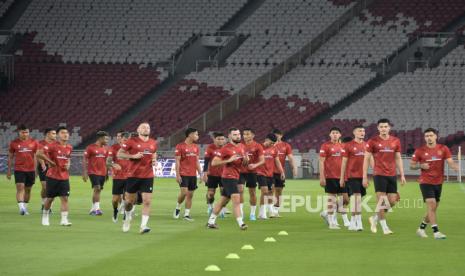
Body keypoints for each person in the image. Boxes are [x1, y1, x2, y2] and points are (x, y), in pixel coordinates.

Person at [411, 128, 459, 239]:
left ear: (435, 136)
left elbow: (450, 161)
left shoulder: (443, 148)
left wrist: (455, 166)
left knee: (433, 208)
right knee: (431, 204)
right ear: (424, 138)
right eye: (427, 136)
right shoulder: (420, 150)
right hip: (425, 181)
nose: (429, 137)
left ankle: (421, 228)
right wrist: (420, 166)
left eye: (431, 135)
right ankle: (436, 232)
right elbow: (412, 166)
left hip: (438, 182)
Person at [363, 118, 406, 235]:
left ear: (389, 128)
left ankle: (374, 218)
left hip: (392, 174)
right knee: (381, 201)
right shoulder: (372, 141)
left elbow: (398, 158)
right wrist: (364, 176)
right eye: (381, 127)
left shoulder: (396, 141)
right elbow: (366, 159)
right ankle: (385, 227)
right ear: (378, 128)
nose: (383, 129)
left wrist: (402, 174)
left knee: (392, 201)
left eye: (385, 127)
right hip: (379, 174)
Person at [117, 123, 157, 234]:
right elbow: (119, 154)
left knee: (147, 201)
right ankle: (127, 218)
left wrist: (154, 159)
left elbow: (154, 153)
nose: (146, 129)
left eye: (148, 127)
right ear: (138, 130)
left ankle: (143, 226)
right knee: (129, 202)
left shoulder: (153, 142)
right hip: (133, 175)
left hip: (148, 175)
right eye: (143, 127)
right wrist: (132, 156)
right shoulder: (131, 141)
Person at [206, 127, 248, 230]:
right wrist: (228, 160)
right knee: (236, 199)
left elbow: (243, 164)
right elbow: (214, 162)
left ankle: (211, 222)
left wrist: (246, 160)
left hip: (236, 176)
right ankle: (241, 223)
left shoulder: (242, 146)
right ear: (229, 136)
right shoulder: (225, 148)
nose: (238, 136)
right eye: (235, 134)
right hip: (228, 177)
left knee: (223, 201)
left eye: (238, 134)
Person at [37, 126, 73, 226]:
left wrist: (68, 165)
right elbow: (39, 153)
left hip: (64, 176)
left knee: (65, 198)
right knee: (50, 199)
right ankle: (45, 217)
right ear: (58, 135)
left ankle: (64, 220)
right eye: (62, 133)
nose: (65, 134)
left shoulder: (69, 147)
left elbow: (68, 158)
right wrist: (50, 162)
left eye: (67, 133)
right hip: (52, 176)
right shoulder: (52, 146)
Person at [319, 127, 349, 229]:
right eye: (333, 133)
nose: (335, 134)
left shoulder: (343, 146)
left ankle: (326, 213)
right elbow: (321, 161)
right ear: (330, 135)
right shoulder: (325, 146)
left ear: (340, 135)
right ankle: (332, 222)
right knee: (331, 199)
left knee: (345, 199)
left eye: (337, 133)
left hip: (342, 177)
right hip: (330, 176)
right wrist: (322, 177)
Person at [340, 126, 369, 231]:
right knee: (356, 198)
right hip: (352, 176)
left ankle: (353, 221)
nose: (362, 132)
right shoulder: (348, 146)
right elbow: (344, 163)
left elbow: (370, 160)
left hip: (363, 176)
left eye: (363, 131)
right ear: (354, 133)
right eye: (359, 131)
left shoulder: (367, 145)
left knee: (358, 200)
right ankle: (358, 223)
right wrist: (342, 178)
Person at [7, 125, 39, 215]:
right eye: (23, 132)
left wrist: (35, 170)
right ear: (19, 133)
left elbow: (36, 157)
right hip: (19, 169)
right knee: (20, 187)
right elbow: (10, 157)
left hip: (31, 170)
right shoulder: (14, 143)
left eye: (26, 132)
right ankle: (21, 208)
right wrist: (9, 170)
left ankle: (25, 207)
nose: (25, 134)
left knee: (28, 190)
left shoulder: (34, 142)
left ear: (29, 133)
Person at [173, 128, 202, 221]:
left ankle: (186, 214)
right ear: (190, 135)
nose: (198, 136)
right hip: (183, 173)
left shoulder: (196, 147)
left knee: (190, 195)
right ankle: (178, 207)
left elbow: (197, 161)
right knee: (184, 193)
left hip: (193, 175)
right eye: (196, 134)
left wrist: (200, 173)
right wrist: (177, 175)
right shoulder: (180, 146)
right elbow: (177, 161)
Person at [83, 131, 114, 216]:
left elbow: (106, 161)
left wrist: (107, 172)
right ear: (100, 138)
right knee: (97, 188)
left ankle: (92, 209)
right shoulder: (90, 147)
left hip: (102, 172)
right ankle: (97, 209)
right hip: (93, 171)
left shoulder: (106, 148)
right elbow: (85, 159)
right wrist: (85, 172)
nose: (107, 141)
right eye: (106, 139)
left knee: (98, 190)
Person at [256, 133, 285, 219]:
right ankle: (262, 213)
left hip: (270, 173)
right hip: (260, 173)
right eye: (271, 142)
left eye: (273, 143)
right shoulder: (258, 147)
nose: (272, 144)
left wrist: (282, 172)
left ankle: (270, 211)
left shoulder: (274, 149)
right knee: (264, 191)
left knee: (270, 192)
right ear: (266, 139)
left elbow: (277, 161)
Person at [271, 129, 297, 217]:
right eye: (275, 135)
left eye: (278, 135)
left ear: (281, 135)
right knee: (271, 190)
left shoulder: (286, 145)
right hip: (269, 172)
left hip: (280, 172)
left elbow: (290, 157)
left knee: (279, 191)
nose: (276, 136)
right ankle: (270, 210)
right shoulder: (268, 145)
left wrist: (294, 168)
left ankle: (276, 210)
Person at [240, 128, 264, 221]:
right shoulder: (240, 145)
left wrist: (255, 165)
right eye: (244, 134)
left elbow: (262, 160)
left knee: (252, 192)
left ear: (253, 135)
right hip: (241, 171)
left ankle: (252, 213)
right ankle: (241, 213)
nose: (245, 136)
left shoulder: (257, 146)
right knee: (240, 189)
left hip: (252, 172)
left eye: (247, 134)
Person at [203, 132, 226, 216]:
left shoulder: (227, 148)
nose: (220, 141)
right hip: (212, 174)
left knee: (224, 192)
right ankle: (210, 206)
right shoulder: (210, 147)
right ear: (214, 139)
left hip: (224, 174)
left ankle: (222, 209)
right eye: (218, 139)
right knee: (211, 193)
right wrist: (205, 173)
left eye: (222, 139)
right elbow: (206, 161)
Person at [108, 130, 130, 222]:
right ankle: (115, 210)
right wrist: (113, 165)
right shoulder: (113, 148)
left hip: (129, 177)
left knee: (127, 197)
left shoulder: (132, 149)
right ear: (121, 139)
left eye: (128, 140)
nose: (126, 141)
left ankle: (126, 214)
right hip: (118, 177)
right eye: (124, 139)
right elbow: (108, 161)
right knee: (115, 200)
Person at [37, 128, 57, 211]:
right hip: (44, 166)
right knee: (45, 187)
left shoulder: (56, 144)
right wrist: (42, 164)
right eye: (53, 133)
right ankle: (43, 203)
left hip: (53, 167)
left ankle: (49, 207)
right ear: (48, 134)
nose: (55, 135)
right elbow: (38, 154)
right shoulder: (40, 143)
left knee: (52, 187)